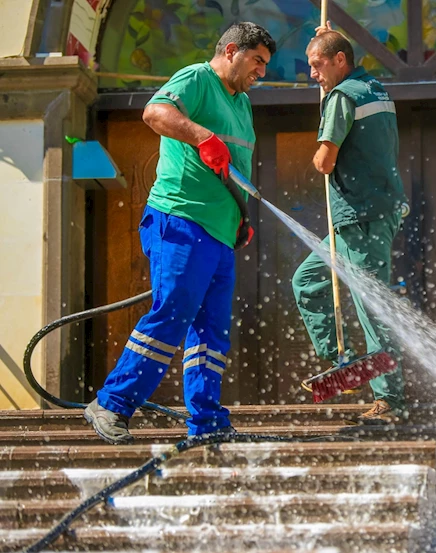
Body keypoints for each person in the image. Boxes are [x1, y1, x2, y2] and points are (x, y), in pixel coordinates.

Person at [84, 22, 276, 444]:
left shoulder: (240, 103)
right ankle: (112, 404)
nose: (261, 72)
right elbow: (155, 113)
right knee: (171, 314)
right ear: (230, 50)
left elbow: (233, 171)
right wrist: (201, 135)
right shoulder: (196, 78)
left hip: (219, 234)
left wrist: (240, 217)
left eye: (265, 64)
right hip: (181, 219)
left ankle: (207, 422)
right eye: (257, 61)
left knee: (210, 335)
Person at [291, 25, 408, 424]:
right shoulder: (374, 89)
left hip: (362, 217)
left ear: (340, 60)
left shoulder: (341, 97)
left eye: (317, 64)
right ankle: (343, 360)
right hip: (364, 215)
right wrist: (333, 39)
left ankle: (390, 399)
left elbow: (325, 161)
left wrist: (325, 115)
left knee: (371, 306)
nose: (313, 74)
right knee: (307, 281)